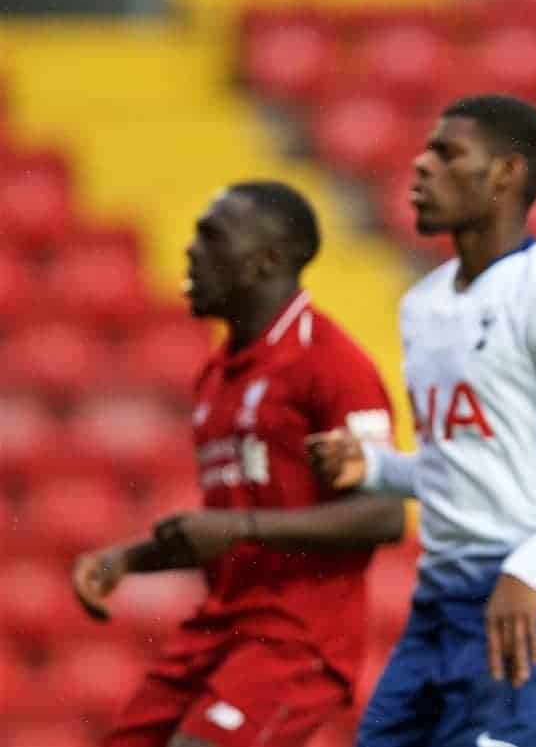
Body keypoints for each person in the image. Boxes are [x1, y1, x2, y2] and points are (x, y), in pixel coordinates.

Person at [307, 95, 536, 747]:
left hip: (528, 605)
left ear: (505, 174)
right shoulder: (422, 305)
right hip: (437, 608)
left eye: (446, 153)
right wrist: (380, 468)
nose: (419, 165)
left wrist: (529, 569)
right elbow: (472, 462)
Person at [72, 181, 406, 747]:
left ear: (266, 260)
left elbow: (385, 515)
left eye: (212, 236)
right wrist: (126, 561)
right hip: (217, 627)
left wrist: (240, 528)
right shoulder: (216, 374)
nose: (191, 251)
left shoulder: (331, 363)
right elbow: (227, 526)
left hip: (297, 639)